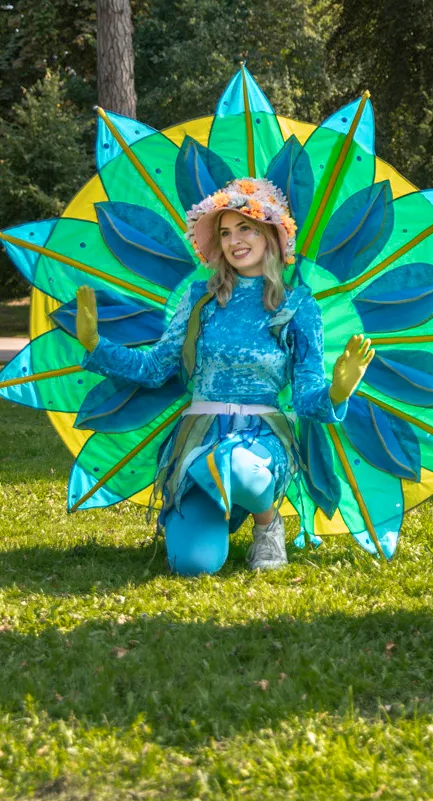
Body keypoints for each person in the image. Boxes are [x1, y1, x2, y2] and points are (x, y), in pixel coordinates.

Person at [72, 178, 375, 576]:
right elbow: (155, 368)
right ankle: (212, 515)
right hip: (199, 437)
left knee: (234, 465)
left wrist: (337, 391)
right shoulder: (200, 298)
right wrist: (95, 344)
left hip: (261, 440)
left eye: (246, 228)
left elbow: (304, 398)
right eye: (226, 232)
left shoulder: (298, 305)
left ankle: (268, 524)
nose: (235, 241)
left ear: (270, 234)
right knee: (193, 564)